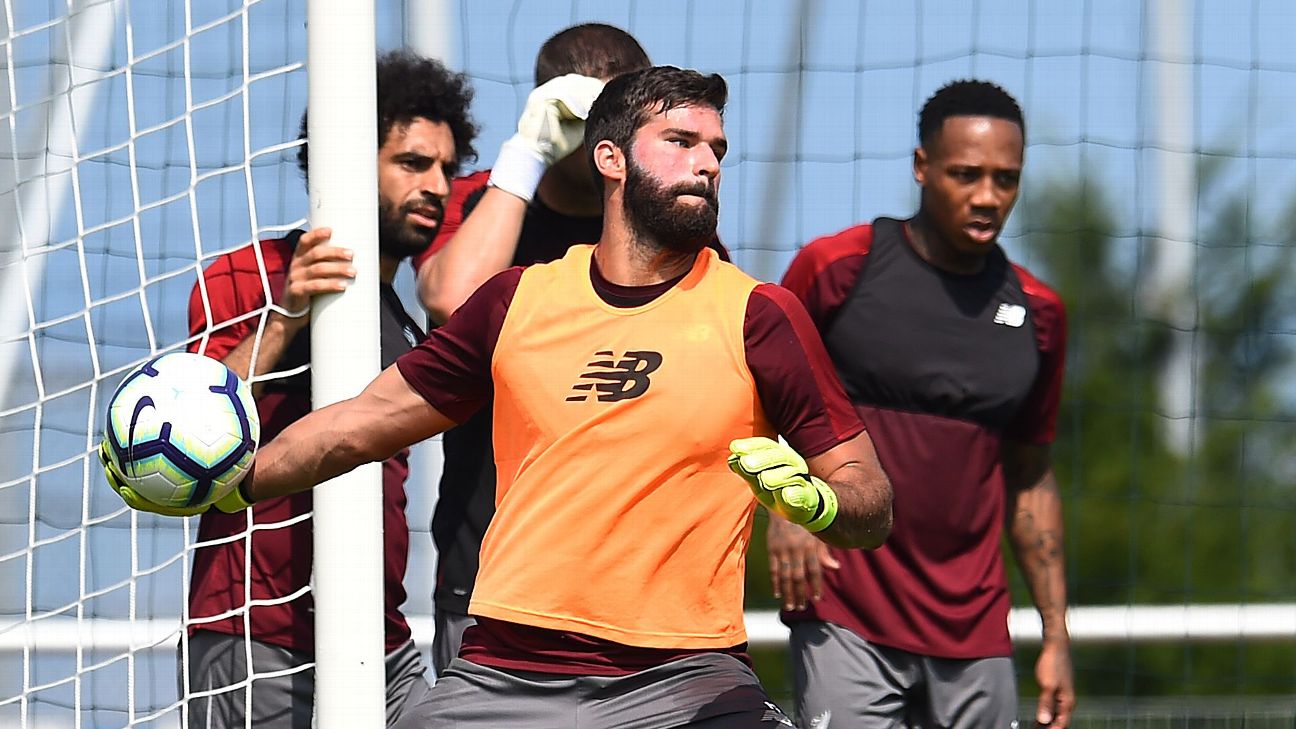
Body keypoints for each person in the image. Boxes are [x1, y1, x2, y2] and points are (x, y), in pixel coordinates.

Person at [108, 65, 893, 728]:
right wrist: (231, 479)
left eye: (717, 148)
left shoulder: (759, 314)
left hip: (686, 681)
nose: (708, 163)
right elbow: (361, 423)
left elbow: (870, 497)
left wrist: (822, 505)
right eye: (683, 143)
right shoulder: (515, 300)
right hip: (503, 675)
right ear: (611, 159)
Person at [140, 51, 475, 728]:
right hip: (253, 634)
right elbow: (179, 424)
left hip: (378, 643)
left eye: (446, 166)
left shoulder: (408, 318)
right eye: (413, 163)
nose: (438, 184)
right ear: (347, 161)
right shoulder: (248, 274)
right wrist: (289, 312)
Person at [409, 23, 720, 674]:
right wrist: (526, 153)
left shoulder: (671, 227)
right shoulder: (490, 201)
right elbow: (450, 297)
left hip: (646, 593)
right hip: (492, 578)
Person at [772, 79, 1075, 729]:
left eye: (1006, 178)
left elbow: (1031, 477)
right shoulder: (835, 268)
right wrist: (786, 505)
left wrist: (1056, 635)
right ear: (921, 167)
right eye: (967, 174)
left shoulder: (1040, 312)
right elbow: (756, 400)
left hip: (976, 628)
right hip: (846, 607)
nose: (988, 196)